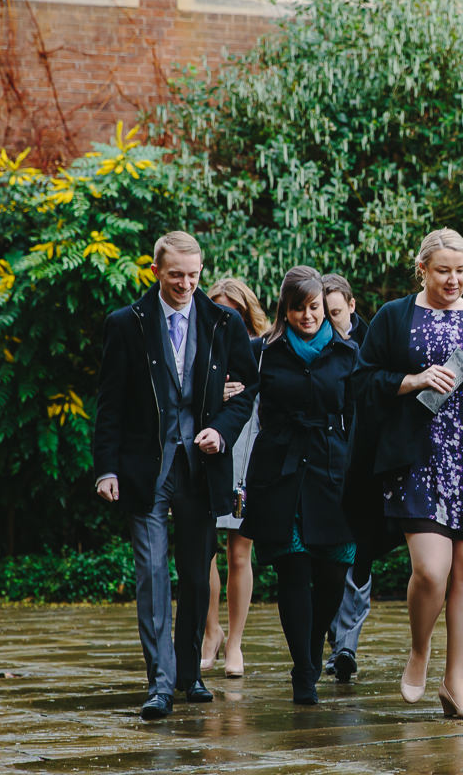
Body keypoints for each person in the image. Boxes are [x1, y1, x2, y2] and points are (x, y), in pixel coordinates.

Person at [351, 230, 463, 720]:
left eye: (460, 270)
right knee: (431, 570)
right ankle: (419, 650)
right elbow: (362, 381)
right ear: (421, 268)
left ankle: (456, 683)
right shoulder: (393, 317)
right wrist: (413, 379)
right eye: (442, 270)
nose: (452, 279)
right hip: (419, 460)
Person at [92, 230, 259, 721]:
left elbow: (247, 389)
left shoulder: (223, 323)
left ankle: (190, 674)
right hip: (146, 467)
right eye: (176, 276)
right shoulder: (126, 324)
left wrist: (221, 430)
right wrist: (106, 467)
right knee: (151, 574)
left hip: (202, 467)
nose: (186, 285)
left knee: (195, 577)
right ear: (156, 271)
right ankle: (161, 684)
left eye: (193, 275)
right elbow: (110, 403)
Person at [238, 266, 358, 704]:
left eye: (314, 308)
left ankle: (310, 649)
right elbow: (234, 394)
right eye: (298, 308)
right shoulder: (261, 353)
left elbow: (356, 417)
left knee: (333, 572)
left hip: (331, 469)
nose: (307, 316)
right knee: (294, 566)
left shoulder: (347, 354)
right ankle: (304, 671)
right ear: (283, 310)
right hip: (280, 471)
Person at [198, 278, 269, 679]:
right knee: (206, 550)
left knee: (240, 553)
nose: (228, 320)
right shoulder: (198, 346)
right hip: (208, 451)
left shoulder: (263, 349)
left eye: (236, 314)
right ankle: (212, 632)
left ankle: (236, 644)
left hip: (248, 453)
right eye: (221, 311)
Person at [319, 272, 371, 684]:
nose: (329, 321)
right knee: (328, 560)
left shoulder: (373, 342)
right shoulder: (314, 348)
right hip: (322, 462)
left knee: (359, 558)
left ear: (351, 307)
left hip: (364, 463)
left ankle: (346, 646)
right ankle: (334, 641)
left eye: (335, 313)